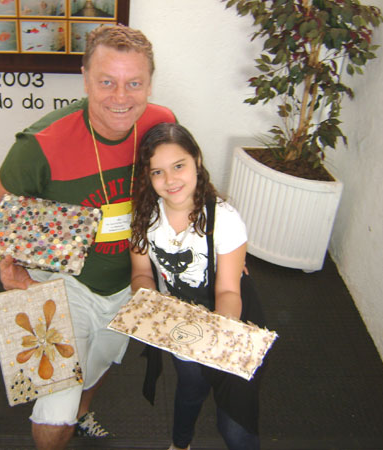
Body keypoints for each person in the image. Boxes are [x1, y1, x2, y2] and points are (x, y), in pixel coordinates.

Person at [0, 25, 176, 450]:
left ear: (149, 84)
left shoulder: (161, 124)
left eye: (134, 83)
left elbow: (182, 185)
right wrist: (8, 263)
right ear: (86, 78)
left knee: (98, 364)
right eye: (106, 82)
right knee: (55, 411)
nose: (120, 97)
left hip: (130, 279)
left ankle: (84, 413)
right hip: (61, 280)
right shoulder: (41, 142)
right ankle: (65, 420)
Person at [130, 123, 265, 450]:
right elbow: (141, 273)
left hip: (231, 320)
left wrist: (215, 341)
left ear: (197, 162)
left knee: (234, 424)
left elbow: (229, 292)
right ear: (148, 176)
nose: (170, 180)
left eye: (179, 166)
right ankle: (180, 444)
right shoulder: (145, 217)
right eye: (158, 172)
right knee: (189, 390)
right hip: (182, 321)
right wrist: (151, 305)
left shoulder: (224, 220)